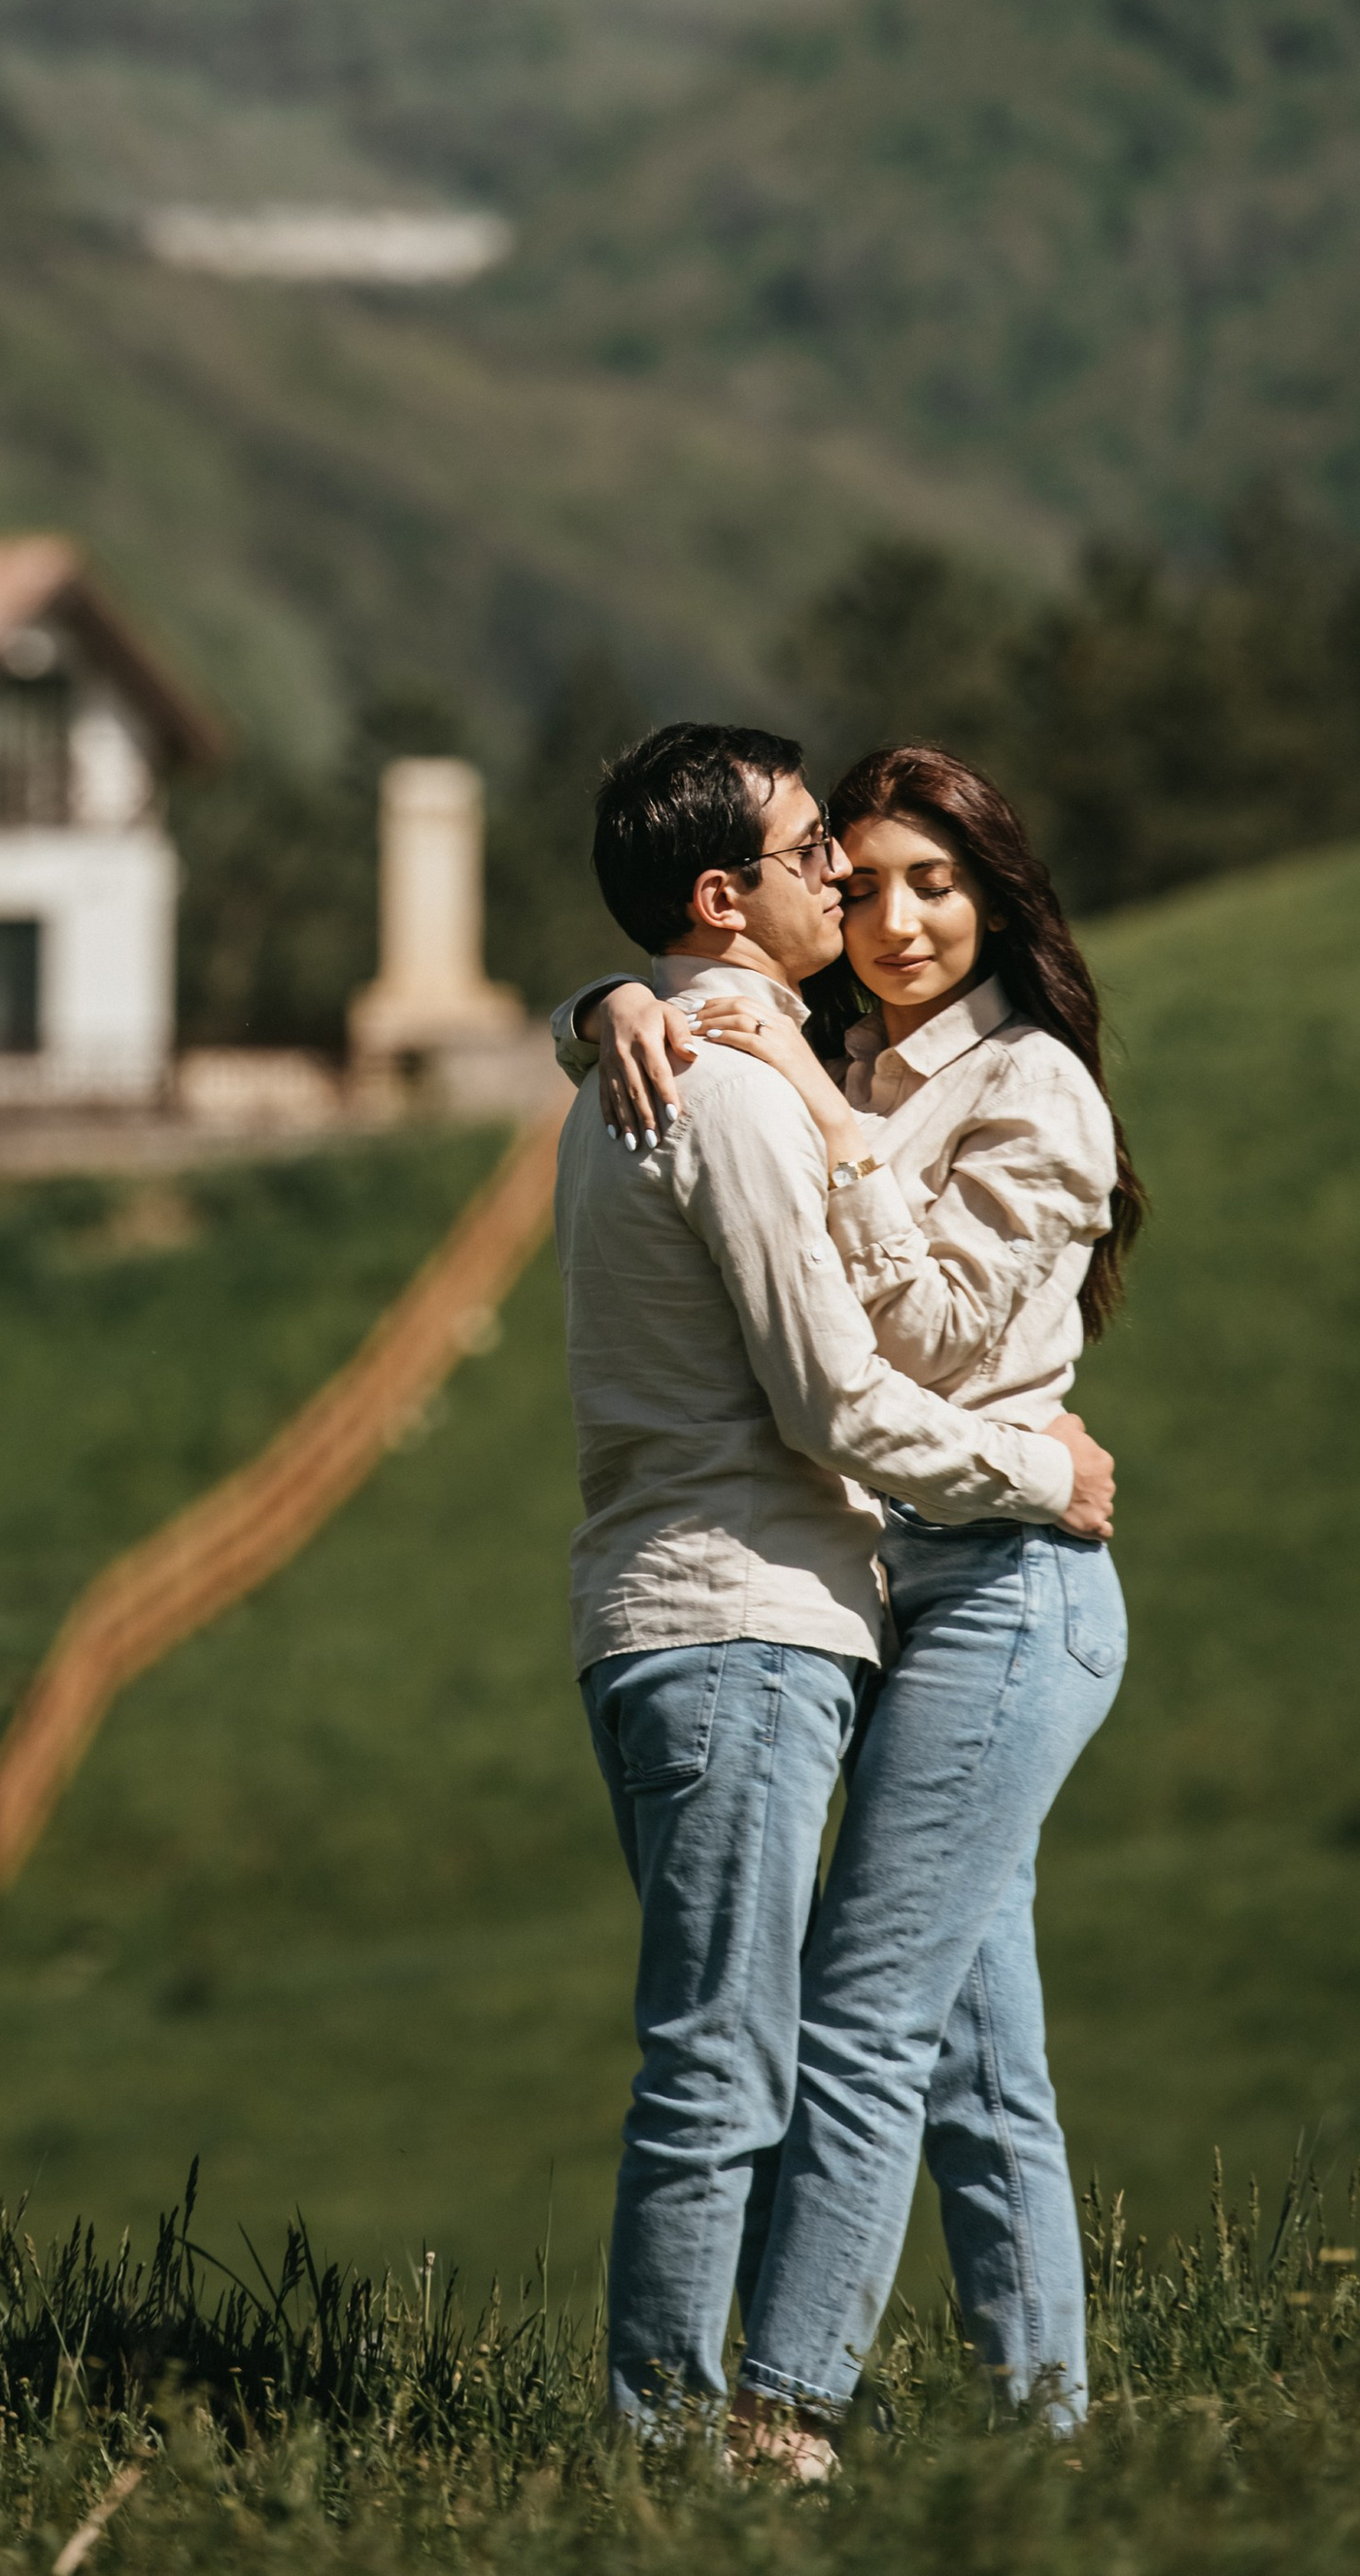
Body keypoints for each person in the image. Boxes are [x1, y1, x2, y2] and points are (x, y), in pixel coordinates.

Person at [569, 742, 1142, 2455]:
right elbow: (687, 1036)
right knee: (977, 2059)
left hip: (1000, 1580)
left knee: (864, 2022)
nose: (889, 916)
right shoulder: (797, 1043)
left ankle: (783, 2413)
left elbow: (945, 1347)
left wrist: (825, 1120)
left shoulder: (1028, 1087)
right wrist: (614, 999)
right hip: (884, 1577)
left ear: (998, 896)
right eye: (860, 875)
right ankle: (1046, 2438)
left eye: (932, 881)